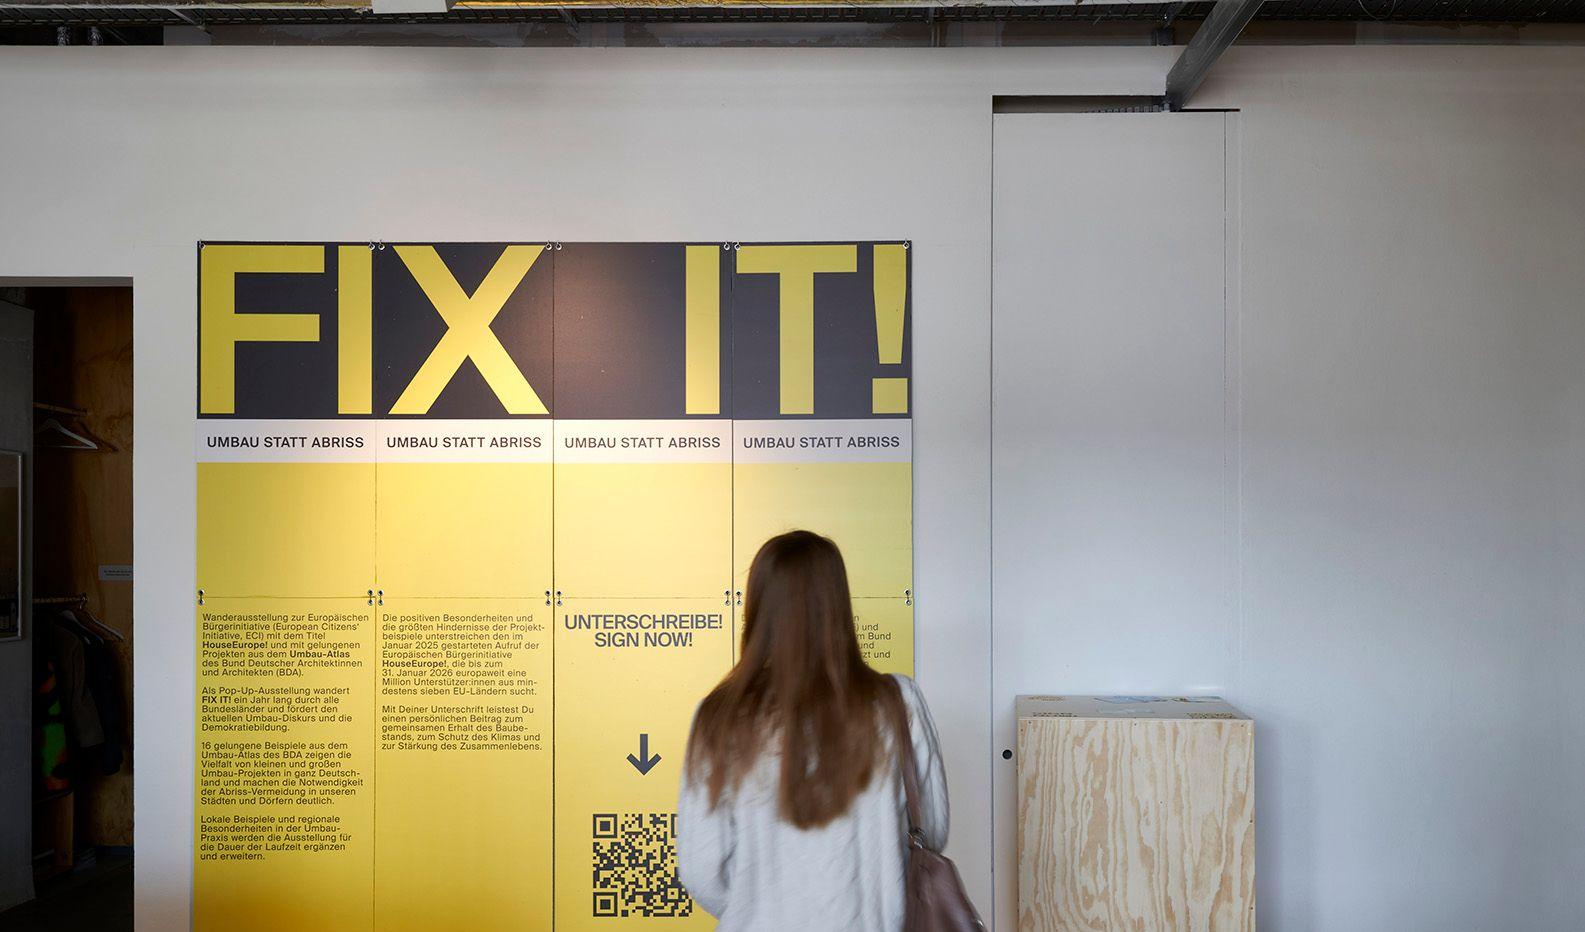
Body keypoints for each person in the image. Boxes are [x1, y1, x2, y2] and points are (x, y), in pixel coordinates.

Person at [677, 530, 948, 931]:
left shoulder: (719, 716)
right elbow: (932, 830)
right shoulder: (898, 701)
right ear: (837, 605)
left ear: (757, 606)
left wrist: (760, 905)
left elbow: (701, 870)